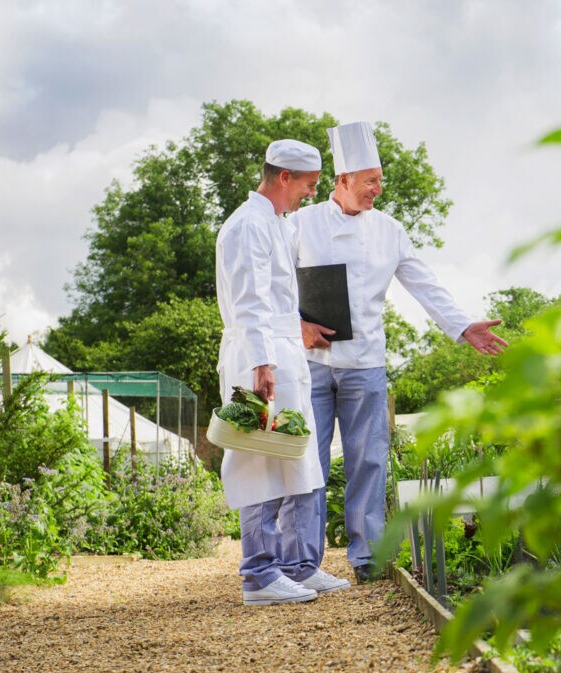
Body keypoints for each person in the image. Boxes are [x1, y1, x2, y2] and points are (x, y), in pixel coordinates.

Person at [290, 121, 507, 583]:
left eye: (380, 179)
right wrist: (298, 325)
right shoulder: (300, 224)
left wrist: (463, 325)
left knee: (368, 459)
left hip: (366, 363)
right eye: (370, 180)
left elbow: (423, 282)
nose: (378, 189)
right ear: (343, 180)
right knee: (308, 458)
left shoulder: (388, 230)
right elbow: (273, 285)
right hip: (309, 363)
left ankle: (366, 557)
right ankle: (302, 563)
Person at [215, 139, 351, 605]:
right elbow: (250, 298)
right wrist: (260, 363)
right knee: (259, 459)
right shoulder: (247, 226)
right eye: (309, 185)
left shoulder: (274, 223)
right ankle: (258, 574)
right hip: (259, 359)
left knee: (295, 456)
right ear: (284, 178)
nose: (311, 194)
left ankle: (295, 567)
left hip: (282, 355)